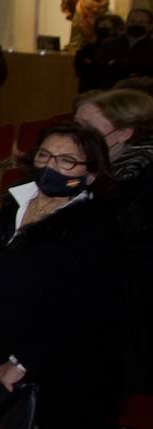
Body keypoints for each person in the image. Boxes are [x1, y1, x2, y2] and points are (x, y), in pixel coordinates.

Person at [0, 124, 122, 429]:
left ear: (90, 175)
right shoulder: (17, 200)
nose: (51, 166)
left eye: (66, 161)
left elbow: (81, 315)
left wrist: (18, 366)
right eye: (44, 155)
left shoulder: (96, 230)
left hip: (49, 375)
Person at [75, 89, 153, 392]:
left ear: (123, 133)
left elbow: (124, 239)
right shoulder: (103, 163)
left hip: (127, 299)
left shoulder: (136, 177)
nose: (77, 135)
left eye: (89, 129)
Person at [94, 7, 153, 87]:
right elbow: (97, 69)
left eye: (142, 23)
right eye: (133, 21)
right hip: (110, 92)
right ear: (127, 23)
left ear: (150, 26)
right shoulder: (109, 44)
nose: (136, 25)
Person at [76, 14, 123, 92]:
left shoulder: (119, 49)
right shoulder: (88, 48)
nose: (102, 28)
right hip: (88, 87)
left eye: (105, 26)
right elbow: (80, 66)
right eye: (100, 26)